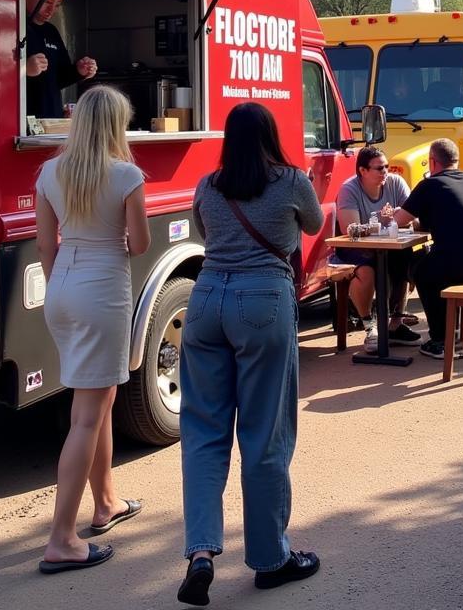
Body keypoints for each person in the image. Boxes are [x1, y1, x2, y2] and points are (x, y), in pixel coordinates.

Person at [178, 103, 324, 604]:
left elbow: (205, 235)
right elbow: (312, 224)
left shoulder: (208, 185)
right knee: (264, 435)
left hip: (205, 301)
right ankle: (270, 559)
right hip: (263, 300)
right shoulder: (290, 180)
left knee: (202, 434)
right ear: (270, 135)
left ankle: (199, 553)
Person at [35, 85, 150, 574]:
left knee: (97, 403)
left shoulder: (49, 171)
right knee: (87, 414)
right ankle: (62, 538)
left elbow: (46, 245)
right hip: (102, 288)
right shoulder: (126, 175)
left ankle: (106, 503)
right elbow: (140, 244)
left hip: (60, 287)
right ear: (115, 126)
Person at [393, 139, 463, 360]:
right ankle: (452, 328)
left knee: (421, 272)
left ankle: (440, 339)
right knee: (433, 264)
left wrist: (393, 213)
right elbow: (453, 216)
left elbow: (400, 220)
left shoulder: (429, 185)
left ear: (432, 163)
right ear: (456, 160)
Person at [334, 146, 420, 350]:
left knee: (406, 260)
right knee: (366, 272)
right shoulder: (349, 189)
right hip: (356, 249)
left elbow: (414, 218)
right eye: (379, 168)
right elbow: (351, 230)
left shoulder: (396, 183)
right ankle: (369, 326)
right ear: (363, 171)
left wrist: (403, 219)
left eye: (387, 167)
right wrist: (387, 222)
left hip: (390, 247)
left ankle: (395, 324)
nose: (385, 172)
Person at [24, 0, 98, 119]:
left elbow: (60, 78)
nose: (51, 10)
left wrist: (79, 71)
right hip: (21, 124)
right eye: (47, 2)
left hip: (51, 121)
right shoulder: (11, 27)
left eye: (57, 4)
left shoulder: (51, 31)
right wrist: (24, 69)